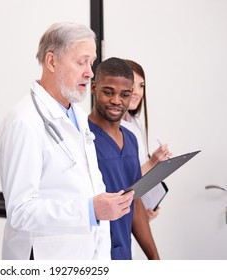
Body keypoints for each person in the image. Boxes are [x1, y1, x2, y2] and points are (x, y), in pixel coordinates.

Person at [0, 22, 134, 260]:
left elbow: (92, 188)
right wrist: (89, 210)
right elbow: (20, 211)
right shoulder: (24, 122)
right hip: (43, 256)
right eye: (81, 62)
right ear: (51, 62)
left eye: (91, 63)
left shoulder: (79, 117)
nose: (90, 72)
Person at [88, 57, 159, 260]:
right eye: (108, 92)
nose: (117, 101)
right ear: (94, 88)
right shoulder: (81, 138)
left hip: (123, 253)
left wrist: (154, 257)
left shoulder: (131, 139)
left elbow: (133, 200)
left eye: (125, 94)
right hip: (92, 254)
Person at [121, 59, 172, 220]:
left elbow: (141, 174)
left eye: (141, 86)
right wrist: (152, 162)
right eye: (132, 85)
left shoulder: (137, 124)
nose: (137, 92)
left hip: (135, 209)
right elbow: (122, 180)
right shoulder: (112, 128)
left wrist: (148, 209)